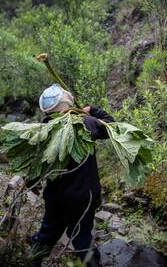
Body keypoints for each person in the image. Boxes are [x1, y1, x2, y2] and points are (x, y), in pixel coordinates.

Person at [28, 84, 114, 267]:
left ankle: (33, 261)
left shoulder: (44, 128)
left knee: (47, 234)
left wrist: (32, 182)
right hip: (85, 196)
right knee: (82, 238)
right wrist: (93, 110)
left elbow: (38, 162)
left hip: (57, 197)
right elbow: (112, 127)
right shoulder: (88, 123)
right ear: (68, 103)